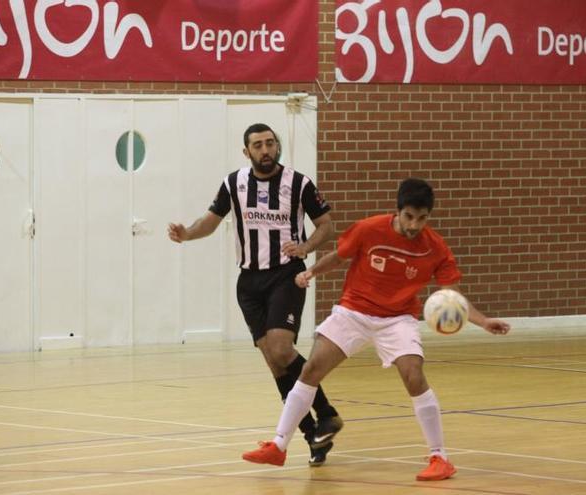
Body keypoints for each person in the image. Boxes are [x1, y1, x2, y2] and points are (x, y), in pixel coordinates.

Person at [242, 178, 511, 481]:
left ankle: (440, 457)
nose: (414, 225)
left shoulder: (434, 248)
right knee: (311, 369)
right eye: (409, 216)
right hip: (354, 311)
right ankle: (279, 445)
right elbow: (340, 256)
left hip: (397, 319)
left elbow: (454, 296)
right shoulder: (370, 229)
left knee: (414, 375)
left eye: (422, 219)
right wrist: (311, 272)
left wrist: (484, 321)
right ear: (398, 211)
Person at [168, 123, 343, 466]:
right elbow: (211, 220)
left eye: (270, 144)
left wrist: (305, 247)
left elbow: (327, 225)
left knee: (282, 348)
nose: (265, 150)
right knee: (275, 363)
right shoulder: (234, 183)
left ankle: (327, 413)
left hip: (285, 276)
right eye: (258, 145)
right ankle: (313, 436)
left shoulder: (300, 183)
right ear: (246, 152)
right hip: (249, 284)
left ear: (277, 147)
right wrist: (186, 233)